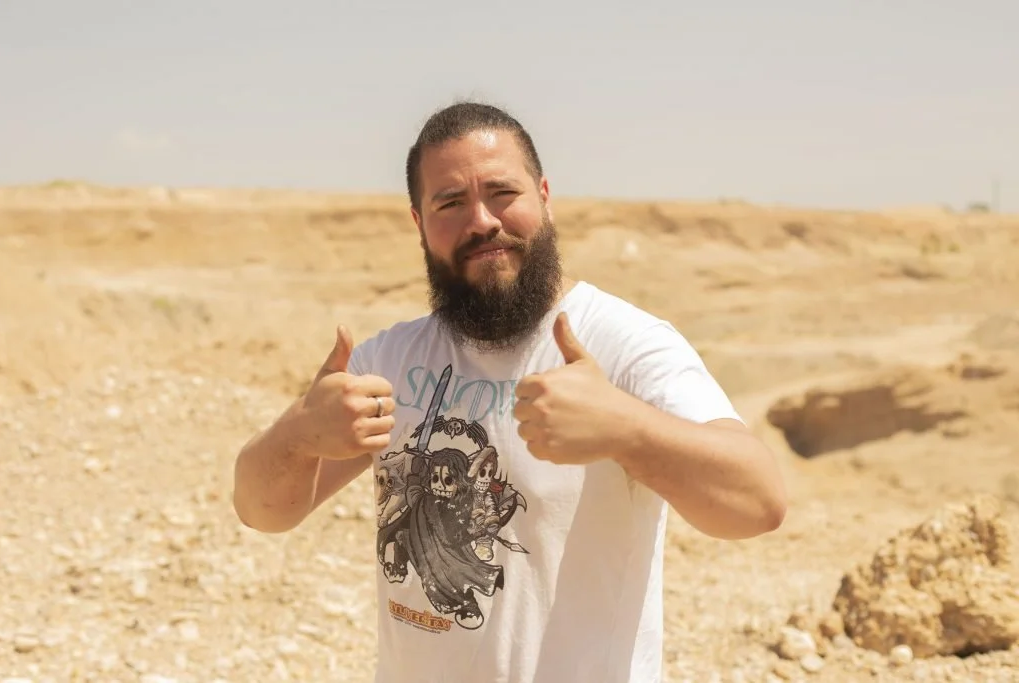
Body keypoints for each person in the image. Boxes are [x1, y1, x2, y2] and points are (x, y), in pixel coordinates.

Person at [232, 101, 787, 683]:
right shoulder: (388, 360)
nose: (482, 221)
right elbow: (261, 509)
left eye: (502, 193)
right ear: (419, 223)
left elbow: (758, 502)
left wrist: (625, 428)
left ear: (544, 195)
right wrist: (299, 432)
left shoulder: (624, 346)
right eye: (450, 203)